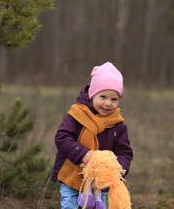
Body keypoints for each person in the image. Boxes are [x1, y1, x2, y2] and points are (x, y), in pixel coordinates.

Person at [51, 62, 133, 209]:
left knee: (96, 205)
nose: (108, 103)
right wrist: (83, 154)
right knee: (70, 205)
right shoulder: (77, 115)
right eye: (103, 97)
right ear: (92, 94)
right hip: (72, 173)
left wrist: (115, 169)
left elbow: (125, 152)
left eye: (114, 99)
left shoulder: (117, 124)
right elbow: (62, 138)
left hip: (98, 180)